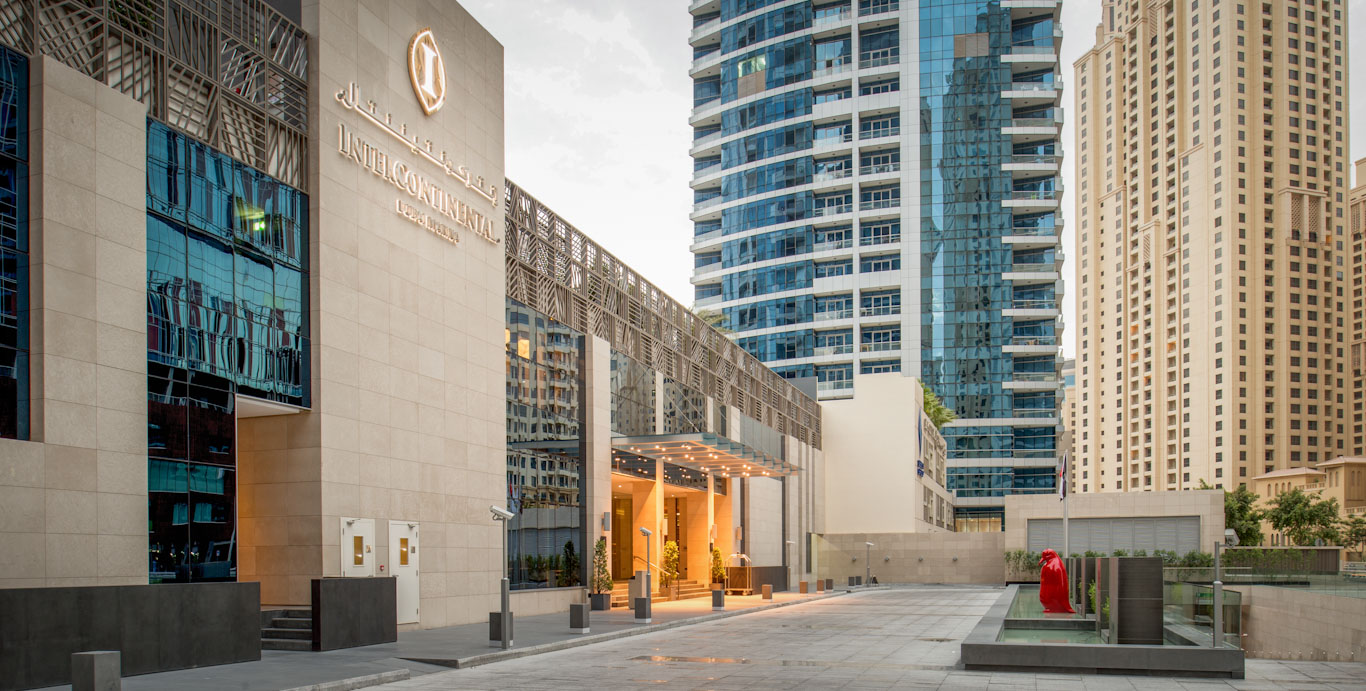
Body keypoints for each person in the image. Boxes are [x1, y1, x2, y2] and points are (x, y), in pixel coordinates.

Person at [1038, 548, 1074, 614]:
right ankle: (1053, 607)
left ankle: (1055, 608)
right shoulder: (1055, 563)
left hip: (1053, 596)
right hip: (1051, 595)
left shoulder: (1054, 565)